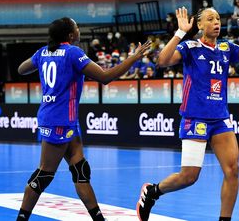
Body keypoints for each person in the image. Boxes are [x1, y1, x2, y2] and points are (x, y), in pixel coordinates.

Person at [136, 6, 239, 221]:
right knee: (189, 177)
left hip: (220, 119)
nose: (216, 22)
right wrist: (179, 33)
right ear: (200, 25)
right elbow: (162, 61)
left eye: (218, 18)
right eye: (210, 19)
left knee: (233, 170)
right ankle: (153, 192)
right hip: (195, 118)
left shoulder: (227, 48)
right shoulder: (190, 47)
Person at [16, 17, 150, 221]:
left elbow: (21, 69)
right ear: (70, 35)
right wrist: (134, 57)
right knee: (44, 174)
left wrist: (43, 61)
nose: (79, 29)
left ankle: (99, 219)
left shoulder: (43, 52)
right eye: (77, 27)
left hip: (62, 119)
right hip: (58, 121)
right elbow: (105, 77)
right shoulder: (72, 52)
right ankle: (21, 218)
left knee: (81, 170)